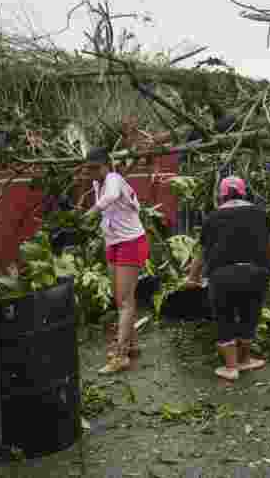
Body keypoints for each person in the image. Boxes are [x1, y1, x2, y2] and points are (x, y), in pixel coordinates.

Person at [185, 176, 270, 382]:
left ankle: (231, 367)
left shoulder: (212, 218)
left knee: (224, 317)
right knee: (249, 314)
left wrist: (192, 278)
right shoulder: (261, 214)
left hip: (222, 276)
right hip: (256, 273)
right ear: (244, 192)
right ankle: (245, 360)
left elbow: (201, 254)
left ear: (222, 196)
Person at [82, 147, 150, 375]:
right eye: (88, 168)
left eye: (94, 168)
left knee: (123, 301)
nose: (91, 173)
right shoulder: (97, 183)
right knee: (122, 297)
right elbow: (108, 212)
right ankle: (132, 344)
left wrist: (91, 212)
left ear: (105, 165)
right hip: (113, 242)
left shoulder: (113, 178)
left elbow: (110, 199)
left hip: (131, 241)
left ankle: (120, 355)